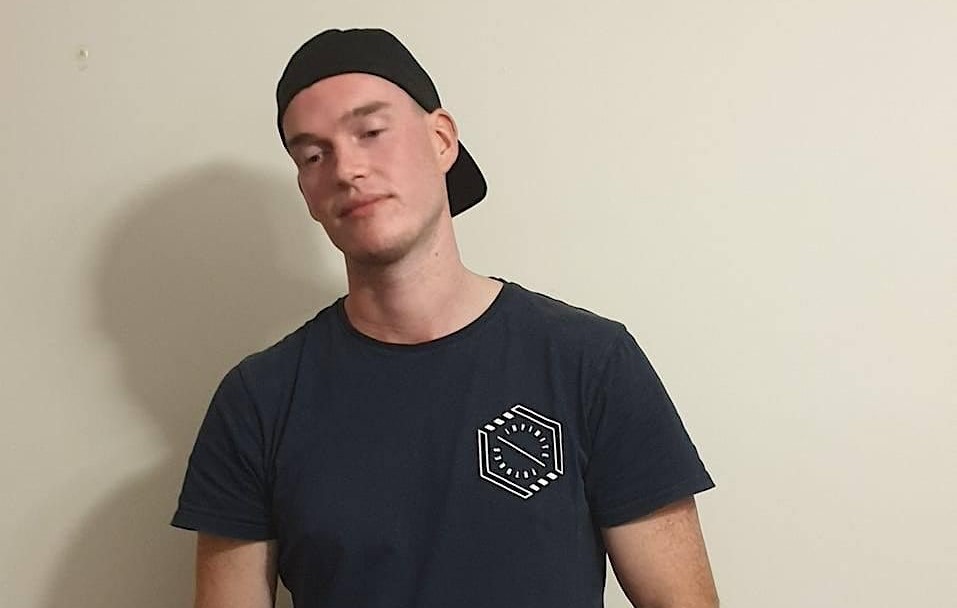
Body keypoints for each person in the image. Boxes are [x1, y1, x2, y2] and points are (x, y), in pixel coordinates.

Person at [171, 28, 718, 608]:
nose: (346, 169)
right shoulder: (257, 401)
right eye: (313, 155)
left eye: (371, 132)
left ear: (441, 140)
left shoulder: (589, 362)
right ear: (306, 190)